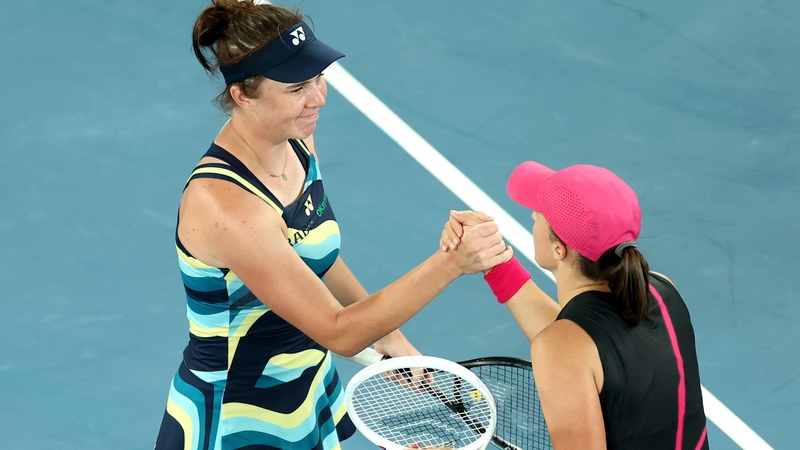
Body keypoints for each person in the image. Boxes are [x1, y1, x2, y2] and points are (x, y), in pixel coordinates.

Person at [154, 2, 512, 449]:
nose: (319, 97)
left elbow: (314, 259)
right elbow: (339, 331)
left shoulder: (296, 142)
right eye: (297, 87)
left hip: (306, 391)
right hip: (237, 416)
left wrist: (394, 340)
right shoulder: (227, 206)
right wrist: (451, 264)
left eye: (319, 78)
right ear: (244, 94)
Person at [443, 161, 708, 449]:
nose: (533, 214)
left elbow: (574, 348)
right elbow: (588, 347)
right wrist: (494, 262)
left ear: (560, 249)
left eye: (541, 214)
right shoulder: (659, 289)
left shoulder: (564, 347)